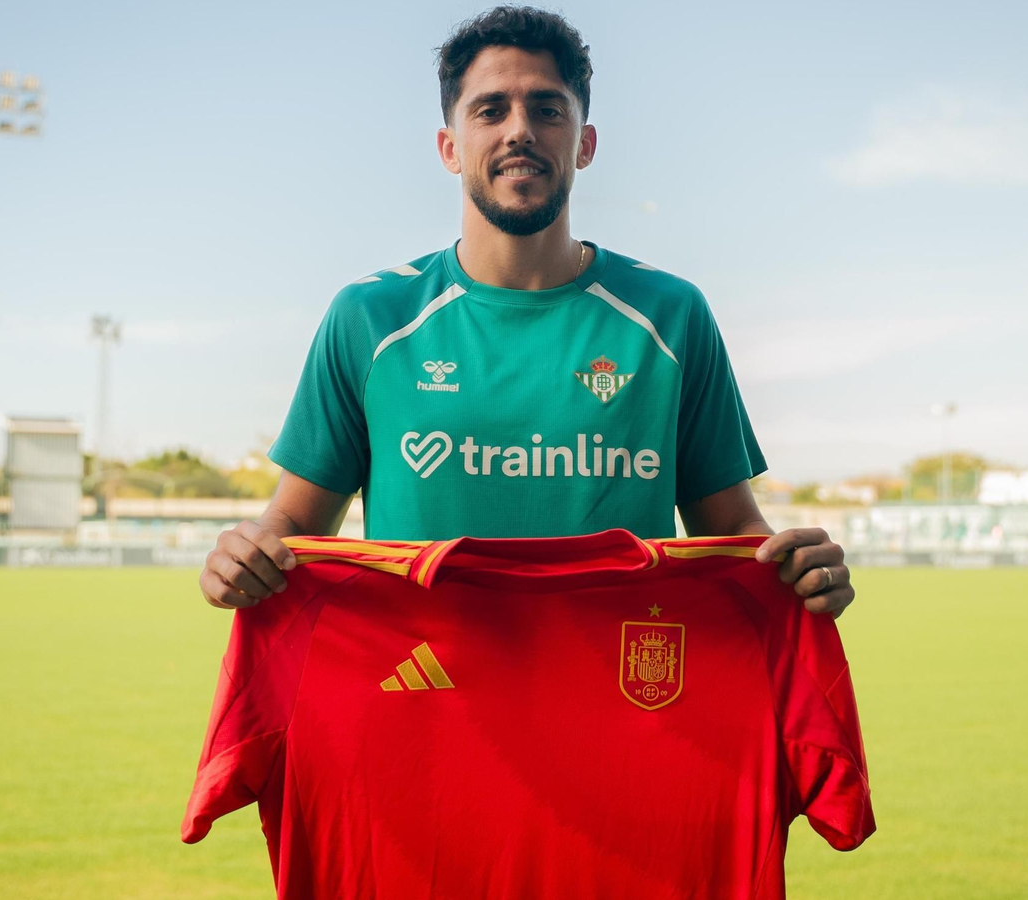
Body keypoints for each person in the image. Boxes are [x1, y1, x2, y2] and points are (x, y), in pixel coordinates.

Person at [200, 5, 854, 617]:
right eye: (490, 110)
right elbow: (293, 528)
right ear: (449, 147)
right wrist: (245, 555)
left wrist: (799, 569)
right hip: (423, 709)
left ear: (585, 142)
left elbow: (734, 531)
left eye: (547, 108)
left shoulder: (672, 314)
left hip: (618, 713)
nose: (520, 130)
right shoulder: (371, 316)